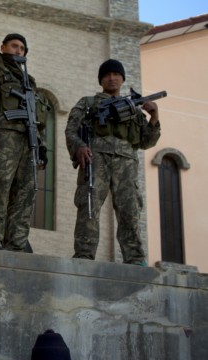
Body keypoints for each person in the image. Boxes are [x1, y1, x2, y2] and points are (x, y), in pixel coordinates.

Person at [65, 59, 161, 264]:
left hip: (126, 163)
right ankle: (84, 255)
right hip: (95, 158)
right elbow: (71, 130)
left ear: (123, 78)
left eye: (116, 74)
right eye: (107, 74)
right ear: (101, 79)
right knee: (89, 205)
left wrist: (154, 117)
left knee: (130, 210)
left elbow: (146, 141)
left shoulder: (133, 109)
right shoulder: (88, 103)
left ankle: (135, 259)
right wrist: (79, 147)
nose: (112, 78)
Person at [0, 32, 51, 251]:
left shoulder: (29, 82)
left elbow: (35, 117)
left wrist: (42, 147)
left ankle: (17, 244)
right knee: (0, 186)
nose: (17, 51)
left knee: (26, 191)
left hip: (28, 142)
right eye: (14, 46)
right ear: (3, 46)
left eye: (22, 48)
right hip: (3, 137)